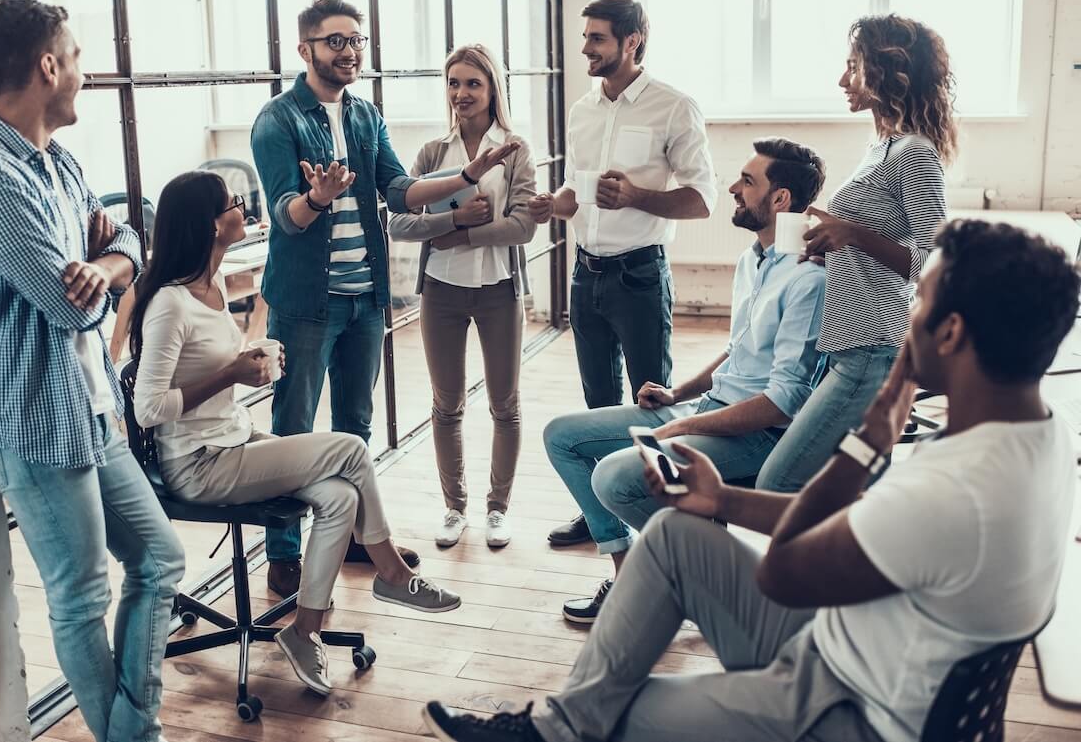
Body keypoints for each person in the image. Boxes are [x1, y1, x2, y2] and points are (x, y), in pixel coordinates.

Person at [420, 219, 1080, 742]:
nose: (908, 314)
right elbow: (858, 531)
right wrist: (725, 500)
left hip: (847, 707)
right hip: (847, 644)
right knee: (678, 532)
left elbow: (782, 571)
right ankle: (557, 727)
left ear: (954, 331)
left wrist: (867, 440)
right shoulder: (1040, 436)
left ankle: (557, 729)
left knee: (608, 716)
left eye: (920, 299)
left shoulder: (954, 489)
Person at [0, 0, 184, 742]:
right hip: (32, 424)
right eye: (76, 56)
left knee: (162, 559)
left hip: (90, 407)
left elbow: (134, 241)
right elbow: (68, 304)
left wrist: (109, 260)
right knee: (80, 597)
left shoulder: (58, 162)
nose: (84, 71)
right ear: (48, 67)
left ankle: (128, 728)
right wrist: (104, 271)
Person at [130, 170, 461, 696]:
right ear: (209, 225)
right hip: (199, 464)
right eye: (231, 202)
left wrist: (256, 362)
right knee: (351, 449)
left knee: (338, 494)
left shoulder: (212, 286)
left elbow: (215, 372)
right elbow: (148, 408)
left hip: (234, 440)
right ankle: (393, 575)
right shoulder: (171, 303)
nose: (242, 205)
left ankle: (304, 632)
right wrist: (232, 373)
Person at [250, 0, 516, 594]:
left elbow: (398, 190)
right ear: (306, 50)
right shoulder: (279, 119)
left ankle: (354, 538)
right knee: (292, 429)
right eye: (335, 41)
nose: (349, 52)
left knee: (356, 427)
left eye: (356, 41)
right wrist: (318, 199)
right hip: (305, 302)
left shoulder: (366, 115)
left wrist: (469, 175)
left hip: (365, 298)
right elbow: (286, 217)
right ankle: (283, 552)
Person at [544, 138, 827, 623]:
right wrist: (679, 396)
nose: (734, 189)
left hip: (757, 434)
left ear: (781, 200)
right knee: (562, 436)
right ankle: (632, 573)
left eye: (748, 181)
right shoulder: (752, 262)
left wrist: (682, 428)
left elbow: (783, 402)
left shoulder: (807, 279)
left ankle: (710, 581)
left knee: (612, 476)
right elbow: (739, 353)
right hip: (708, 409)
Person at [526, 0, 717, 547]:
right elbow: (576, 191)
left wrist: (635, 195)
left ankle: (667, 523)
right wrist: (554, 206)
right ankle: (601, 517)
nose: (586, 47)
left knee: (651, 403)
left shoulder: (674, 107)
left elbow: (702, 200)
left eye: (597, 38)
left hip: (639, 276)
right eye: (586, 37)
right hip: (585, 276)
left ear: (632, 41)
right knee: (597, 405)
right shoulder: (583, 110)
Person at [754, 14, 955, 493]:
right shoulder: (880, 145)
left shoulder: (914, 153)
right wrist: (836, 247)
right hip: (850, 347)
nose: (843, 80)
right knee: (848, 493)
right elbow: (877, 240)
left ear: (884, 73)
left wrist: (854, 237)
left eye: (853, 67)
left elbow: (935, 265)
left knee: (779, 483)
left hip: (875, 350)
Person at [388, 44, 538, 549]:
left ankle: (499, 510)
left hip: (499, 290)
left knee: (505, 404)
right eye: (453, 83)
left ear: (493, 87)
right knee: (446, 404)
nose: (461, 93)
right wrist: (453, 220)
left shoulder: (515, 150)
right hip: (443, 294)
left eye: (473, 83)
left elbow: (522, 229)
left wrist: (464, 235)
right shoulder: (434, 153)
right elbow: (401, 221)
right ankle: (455, 509)